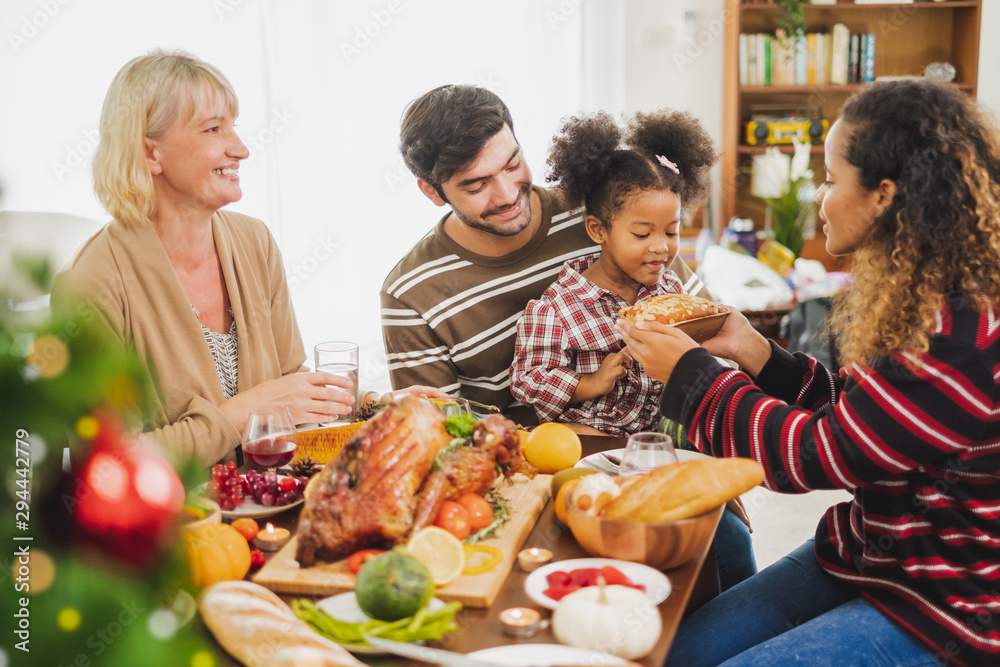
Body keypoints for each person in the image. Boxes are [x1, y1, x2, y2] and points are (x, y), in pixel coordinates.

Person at [618, 79, 1000, 666]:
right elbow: (862, 419)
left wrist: (692, 376)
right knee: (676, 654)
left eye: (830, 179)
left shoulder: (963, 333)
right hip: (872, 552)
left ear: (883, 197)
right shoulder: (911, 290)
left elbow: (820, 456)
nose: (819, 199)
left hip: (944, 602)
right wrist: (755, 351)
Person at [51, 51, 442, 468]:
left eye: (233, 127)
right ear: (151, 154)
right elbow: (108, 464)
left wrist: (376, 405)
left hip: (273, 501)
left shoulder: (253, 241)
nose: (240, 149)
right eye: (213, 129)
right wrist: (241, 415)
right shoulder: (91, 285)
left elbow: (289, 385)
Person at [381, 85, 716, 424]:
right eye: (477, 185)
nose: (508, 195)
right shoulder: (410, 294)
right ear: (432, 191)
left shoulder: (603, 207)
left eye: (513, 164)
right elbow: (439, 430)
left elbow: (706, 329)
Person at [510, 109, 718, 436]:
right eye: (642, 234)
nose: (661, 247)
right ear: (598, 230)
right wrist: (591, 383)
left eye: (671, 231)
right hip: (593, 436)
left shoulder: (670, 289)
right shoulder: (557, 310)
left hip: (656, 436)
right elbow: (529, 382)